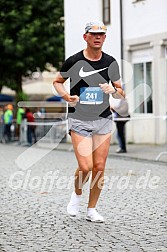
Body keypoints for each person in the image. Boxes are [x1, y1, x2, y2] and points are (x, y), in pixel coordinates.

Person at [53, 20, 124, 222]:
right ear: (85, 37)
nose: (98, 37)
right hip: (79, 118)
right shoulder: (74, 61)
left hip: (103, 119)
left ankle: (92, 210)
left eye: (101, 34)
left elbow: (121, 93)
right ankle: (76, 195)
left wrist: (114, 91)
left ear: (104, 38)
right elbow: (57, 82)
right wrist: (67, 96)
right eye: (93, 34)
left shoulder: (110, 62)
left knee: (99, 167)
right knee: (86, 167)